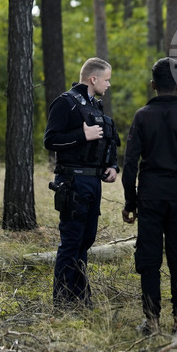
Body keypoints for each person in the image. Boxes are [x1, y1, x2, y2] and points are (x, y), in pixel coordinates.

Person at [122, 58, 177, 335]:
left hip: (150, 196)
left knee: (149, 257)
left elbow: (130, 164)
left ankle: (152, 320)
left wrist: (130, 202)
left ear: (153, 84)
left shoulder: (142, 116)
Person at [43, 58, 120, 307]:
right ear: (93, 79)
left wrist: (112, 167)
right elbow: (50, 140)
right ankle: (63, 300)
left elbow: (105, 142)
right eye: (106, 79)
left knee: (86, 240)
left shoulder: (95, 106)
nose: (108, 84)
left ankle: (80, 296)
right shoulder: (66, 103)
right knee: (72, 241)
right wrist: (80, 135)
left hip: (92, 182)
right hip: (72, 181)